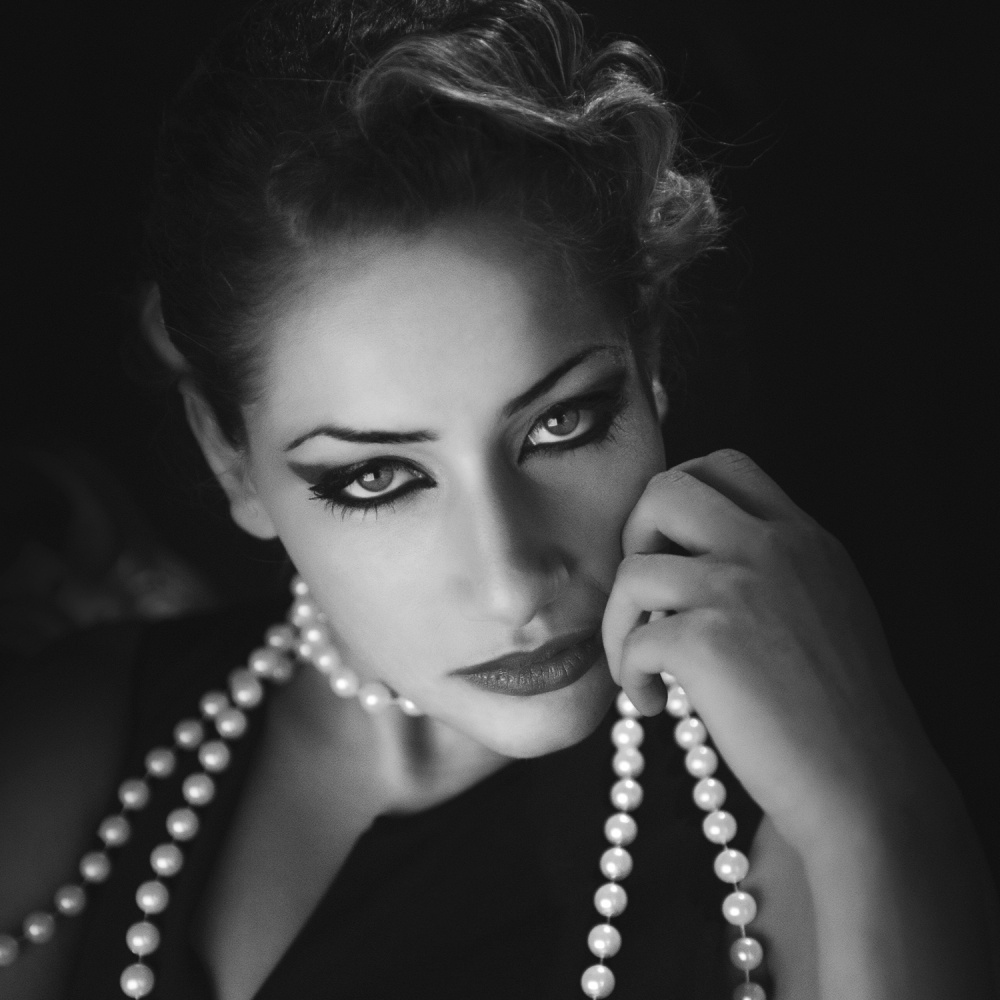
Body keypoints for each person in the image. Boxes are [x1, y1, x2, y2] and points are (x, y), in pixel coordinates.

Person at [0, 1, 996, 998]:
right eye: (378, 477)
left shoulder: (796, 825)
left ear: (647, 356)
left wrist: (886, 813)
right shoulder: (80, 743)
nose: (513, 579)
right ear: (230, 458)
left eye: (561, 425)